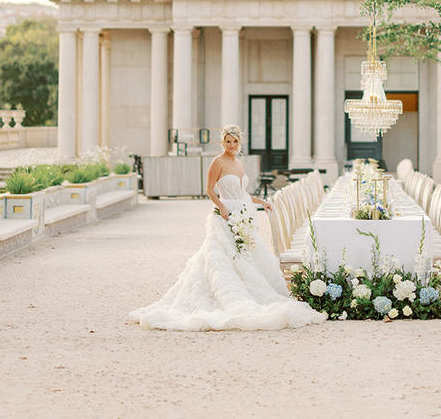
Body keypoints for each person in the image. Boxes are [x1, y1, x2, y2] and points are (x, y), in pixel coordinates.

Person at [130, 125, 327, 331]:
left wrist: (260, 201)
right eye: (227, 141)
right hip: (227, 216)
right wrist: (222, 207)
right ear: (222, 142)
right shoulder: (218, 162)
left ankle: (251, 289)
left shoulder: (239, 162)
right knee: (226, 257)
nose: (231, 145)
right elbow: (209, 189)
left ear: (239, 142)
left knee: (249, 256)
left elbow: (241, 193)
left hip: (244, 215)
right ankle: (230, 293)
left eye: (234, 141)